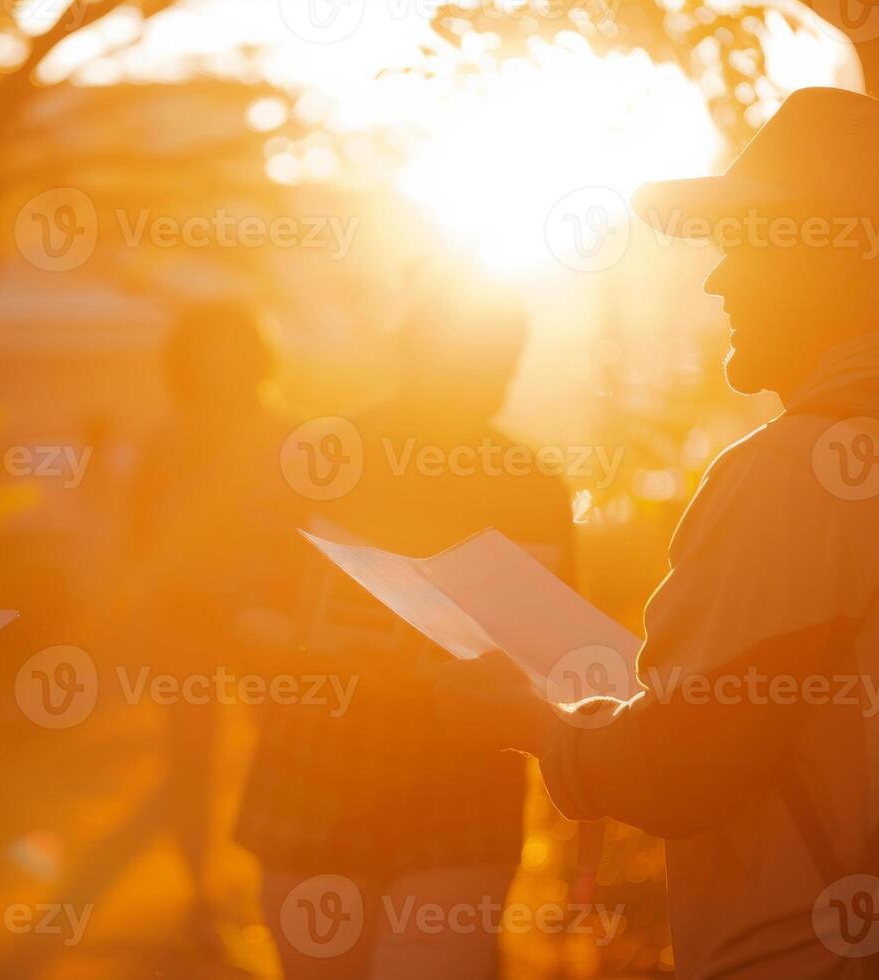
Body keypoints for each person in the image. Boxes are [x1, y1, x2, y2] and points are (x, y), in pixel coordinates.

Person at [434, 88, 879, 977]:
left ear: (836, 259)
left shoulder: (791, 469)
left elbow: (680, 765)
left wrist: (529, 720)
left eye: (743, 241)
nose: (717, 277)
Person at [236, 279, 574, 979]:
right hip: (318, 775)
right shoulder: (320, 459)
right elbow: (248, 604)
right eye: (475, 367)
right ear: (415, 353)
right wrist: (302, 649)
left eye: (503, 368)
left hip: (458, 786)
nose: (490, 387)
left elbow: (563, 655)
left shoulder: (529, 485)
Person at [127, 300, 300, 950]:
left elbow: (310, 532)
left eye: (233, 343)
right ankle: (199, 897)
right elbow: (141, 535)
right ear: (186, 357)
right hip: (184, 614)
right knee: (189, 756)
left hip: (266, 616)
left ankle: (269, 886)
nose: (221, 357)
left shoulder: (287, 435)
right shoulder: (164, 441)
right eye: (208, 344)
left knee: (277, 759)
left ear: (257, 353)